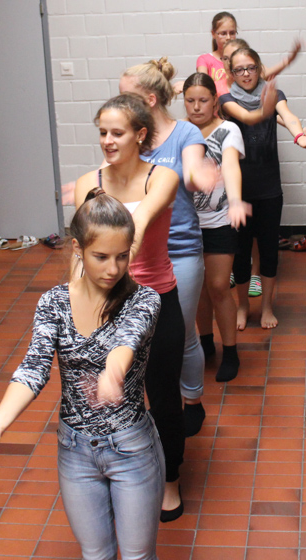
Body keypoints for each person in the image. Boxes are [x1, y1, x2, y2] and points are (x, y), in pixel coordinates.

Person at [0, 190, 164, 560]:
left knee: (137, 557)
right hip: (75, 451)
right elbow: (33, 368)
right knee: (95, 554)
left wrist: (112, 373)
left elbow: (127, 342)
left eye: (122, 256)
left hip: (131, 447)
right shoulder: (53, 303)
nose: (113, 269)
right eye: (101, 257)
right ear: (78, 249)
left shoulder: (144, 300)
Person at [74, 94, 187, 522]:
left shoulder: (162, 177)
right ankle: (114, 472)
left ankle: (170, 478)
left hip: (155, 300)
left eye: (117, 133)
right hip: (104, 305)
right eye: (102, 132)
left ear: (140, 135)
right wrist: (75, 306)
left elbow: (135, 229)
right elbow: (81, 252)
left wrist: (117, 265)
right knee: (108, 397)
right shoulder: (88, 182)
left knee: (163, 395)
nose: (107, 140)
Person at [120, 58, 221, 437]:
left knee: (183, 335)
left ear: (149, 98)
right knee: (143, 336)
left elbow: (192, 171)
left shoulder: (185, 134)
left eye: (126, 95)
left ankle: (192, 401)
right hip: (138, 253)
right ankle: (160, 404)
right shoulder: (134, 136)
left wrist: (200, 176)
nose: (120, 102)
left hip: (180, 250)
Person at [218, 43, 306, 330]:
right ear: (231, 72)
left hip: (269, 188)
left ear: (259, 68)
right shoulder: (226, 98)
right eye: (239, 69)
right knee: (240, 254)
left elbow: (287, 115)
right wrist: (266, 110)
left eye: (251, 68)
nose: (246, 74)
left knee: (268, 251)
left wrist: (299, 135)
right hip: (238, 191)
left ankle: (266, 307)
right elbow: (247, 116)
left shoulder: (273, 94)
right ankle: (242, 306)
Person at [182, 71, 248, 382]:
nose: (196, 107)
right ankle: (206, 343)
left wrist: (235, 200)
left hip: (220, 221)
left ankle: (230, 351)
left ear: (214, 102)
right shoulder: (180, 132)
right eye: (190, 101)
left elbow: (231, 165)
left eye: (203, 100)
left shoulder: (228, 130)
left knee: (219, 286)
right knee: (196, 288)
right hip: (186, 225)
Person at [196, 12, 302, 97]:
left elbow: (265, 73)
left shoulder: (243, 57)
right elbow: (203, 85)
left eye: (232, 33)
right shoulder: (205, 59)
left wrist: (288, 60)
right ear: (213, 33)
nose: (228, 37)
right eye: (223, 33)